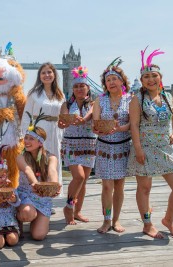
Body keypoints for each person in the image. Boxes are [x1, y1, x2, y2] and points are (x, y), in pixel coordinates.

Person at [127, 47, 173, 238]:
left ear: (160, 77)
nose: (151, 79)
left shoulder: (168, 98)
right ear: (142, 80)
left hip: (164, 148)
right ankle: (147, 224)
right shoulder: (137, 100)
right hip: (143, 148)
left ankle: (168, 219)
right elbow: (134, 126)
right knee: (144, 188)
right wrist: (137, 149)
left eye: (154, 75)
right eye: (146, 77)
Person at [92, 58, 131, 234]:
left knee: (119, 187)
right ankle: (106, 220)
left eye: (114, 79)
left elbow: (134, 123)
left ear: (122, 81)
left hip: (123, 147)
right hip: (105, 147)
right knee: (107, 186)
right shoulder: (99, 101)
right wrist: (98, 129)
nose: (111, 82)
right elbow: (95, 123)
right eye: (108, 80)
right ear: (105, 84)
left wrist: (121, 128)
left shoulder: (131, 100)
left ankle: (116, 220)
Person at [58, 66, 96, 225]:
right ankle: (68, 206)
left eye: (82, 86)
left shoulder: (94, 103)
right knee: (78, 177)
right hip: (71, 144)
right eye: (76, 86)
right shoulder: (66, 104)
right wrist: (63, 122)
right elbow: (61, 124)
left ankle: (77, 211)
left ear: (88, 88)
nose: (79, 89)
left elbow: (91, 114)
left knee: (84, 180)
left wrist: (84, 119)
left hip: (89, 143)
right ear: (72, 89)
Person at [21, 63, 65, 197]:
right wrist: (24, 136)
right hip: (39, 130)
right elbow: (26, 115)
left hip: (55, 130)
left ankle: (51, 192)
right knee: (39, 161)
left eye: (49, 72)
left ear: (54, 75)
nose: (47, 75)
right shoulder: (34, 94)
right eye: (43, 73)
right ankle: (37, 193)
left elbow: (62, 116)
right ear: (39, 76)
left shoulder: (60, 94)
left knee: (53, 161)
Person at [17, 109, 61, 240]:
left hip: (42, 197)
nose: (26, 141)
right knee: (27, 214)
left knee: (38, 236)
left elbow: (52, 172)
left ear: (40, 142)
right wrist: (35, 184)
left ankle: (38, 219)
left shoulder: (51, 157)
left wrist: (54, 186)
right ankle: (17, 216)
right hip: (26, 194)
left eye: (31, 139)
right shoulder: (20, 157)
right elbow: (27, 171)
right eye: (26, 138)